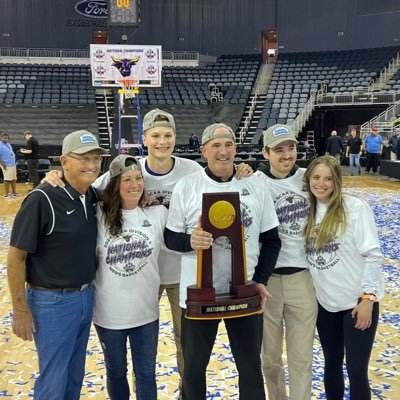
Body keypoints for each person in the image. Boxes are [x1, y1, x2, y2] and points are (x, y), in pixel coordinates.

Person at [42, 109, 252, 399]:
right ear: (144, 139)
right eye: (155, 136)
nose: (162, 141)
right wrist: (57, 176)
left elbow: (222, 179)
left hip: (183, 272)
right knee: (139, 351)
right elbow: (90, 187)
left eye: (167, 136)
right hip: (144, 276)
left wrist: (243, 170)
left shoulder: (191, 170)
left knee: (185, 344)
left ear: (175, 139)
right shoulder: (129, 168)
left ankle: (185, 392)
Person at [164, 123, 282, 400]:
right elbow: (170, 238)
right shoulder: (187, 185)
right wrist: (189, 241)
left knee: (250, 368)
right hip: (197, 295)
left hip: (245, 291)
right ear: (203, 150)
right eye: (215, 145)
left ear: (236, 149)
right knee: (194, 370)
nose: (223, 151)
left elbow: (272, 239)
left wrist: (261, 280)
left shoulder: (255, 185)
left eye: (228, 144)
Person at [7, 130, 107, 399]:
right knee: (53, 380)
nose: (91, 165)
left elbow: (125, 187)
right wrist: (20, 310)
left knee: (75, 375)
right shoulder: (42, 199)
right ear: (64, 162)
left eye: (96, 158)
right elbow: (16, 256)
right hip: (52, 302)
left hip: (85, 296)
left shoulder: (92, 195)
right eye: (83, 158)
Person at [304, 156, 384, 400]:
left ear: (337, 181)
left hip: (357, 304)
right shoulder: (307, 210)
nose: (321, 183)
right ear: (308, 179)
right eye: (316, 177)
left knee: (356, 369)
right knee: (332, 364)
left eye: (328, 178)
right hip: (326, 305)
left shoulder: (354, 208)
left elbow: (372, 255)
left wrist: (368, 299)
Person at [94, 154, 169, 400]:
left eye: (138, 178)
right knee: (116, 372)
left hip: (146, 314)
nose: (135, 184)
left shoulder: (157, 214)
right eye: (127, 179)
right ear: (115, 184)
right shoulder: (97, 216)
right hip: (108, 315)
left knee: (146, 373)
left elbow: (181, 238)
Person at [256, 124, 318, 400]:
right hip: (268, 281)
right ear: (265, 152)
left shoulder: (310, 179)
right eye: (278, 150)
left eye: (290, 148)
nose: (286, 155)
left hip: (303, 278)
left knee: (302, 357)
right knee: (269, 357)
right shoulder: (254, 182)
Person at [0, 131, 20, 198]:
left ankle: (14, 193)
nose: (6, 139)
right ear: (1, 137)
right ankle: (7, 194)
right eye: (4, 138)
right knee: (7, 179)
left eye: (7, 138)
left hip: (12, 164)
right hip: (6, 164)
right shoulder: (0, 145)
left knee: (14, 179)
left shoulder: (8, 144)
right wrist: (2, 164)